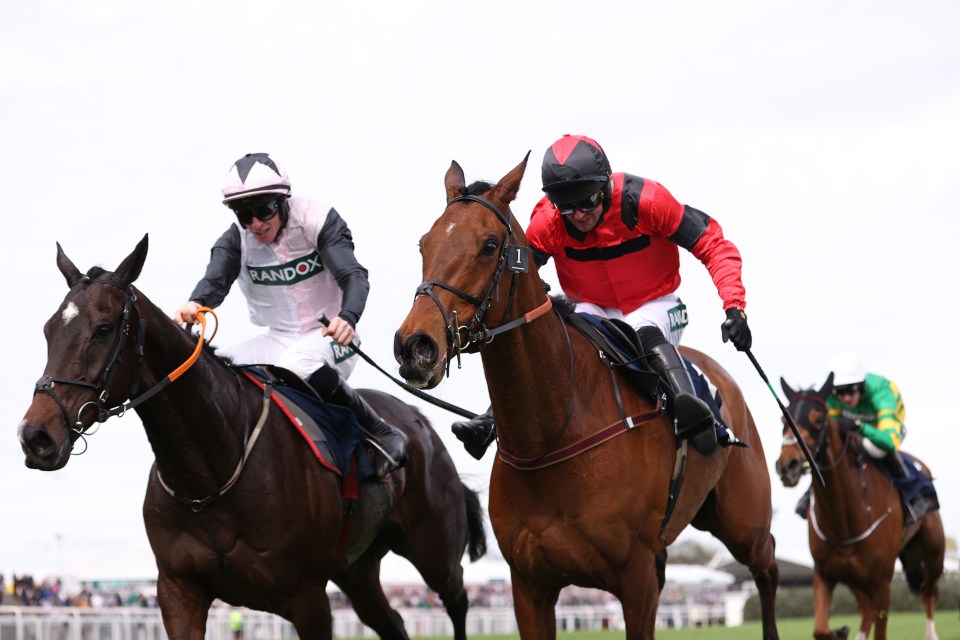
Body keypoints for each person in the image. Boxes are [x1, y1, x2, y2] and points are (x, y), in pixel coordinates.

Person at [452, 134, 751, 459]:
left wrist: (734, 308)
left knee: (640, 328)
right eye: (566, 206)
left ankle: (698, 416)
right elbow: (516, 277)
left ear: (606, 187)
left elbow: (712, 244)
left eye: (587, 201)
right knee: (551, 342)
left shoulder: (647, 201)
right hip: (591, 308)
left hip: (658, 304)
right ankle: (492, 419)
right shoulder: (547, 223)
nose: (578, 214)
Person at [173, 152, 407, 477]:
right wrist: (195, 303)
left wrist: (348, 318)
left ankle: (381, 431)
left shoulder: (317, 218)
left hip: (332, 337)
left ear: (284, 200)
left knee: (295, 365)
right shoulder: (235, 239)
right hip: (278, 339)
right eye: (244, 214)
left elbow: (354, 275)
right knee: (215, 369)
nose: (256, 223)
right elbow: (216, 279)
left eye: (264, 209)